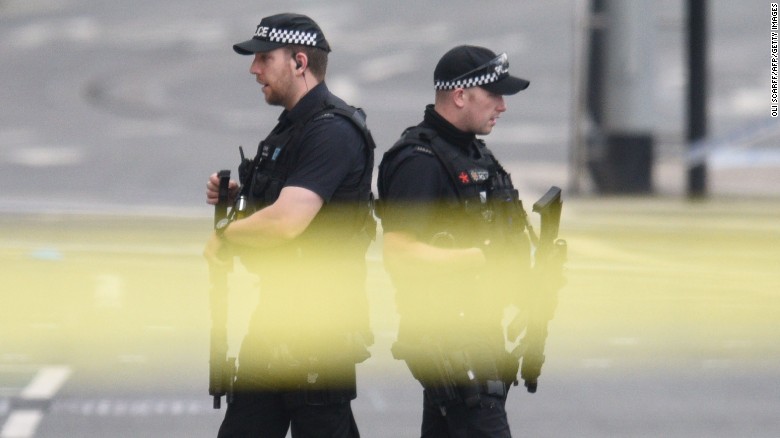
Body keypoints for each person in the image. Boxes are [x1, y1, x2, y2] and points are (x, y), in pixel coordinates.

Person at [203, 13, 375, 438]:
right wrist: (240, 197)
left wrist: (226, 238)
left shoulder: (332, 131)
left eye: (264, 58)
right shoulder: (294, 128)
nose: (253, 69)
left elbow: (287, 221)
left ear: (299, 62)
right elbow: (285, 199)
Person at [378, 45, 542, 437]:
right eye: (494, 94)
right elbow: (398, 253)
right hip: (449, 341)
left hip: (478, 335)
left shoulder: (472, 153)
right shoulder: (419, 160)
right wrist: (480, 259)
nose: (502, 105)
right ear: (460, 95)